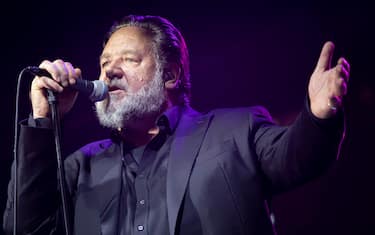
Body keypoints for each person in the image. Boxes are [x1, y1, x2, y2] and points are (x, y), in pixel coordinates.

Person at [3, 15, 350, 235]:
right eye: (104, 62)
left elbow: (298, 158)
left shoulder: (234, 132)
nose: (108, 71)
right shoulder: (82, 168)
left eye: (128, 59)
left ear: (170, 74)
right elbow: (24, 227)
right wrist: (42, 121)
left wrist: (319, 115)